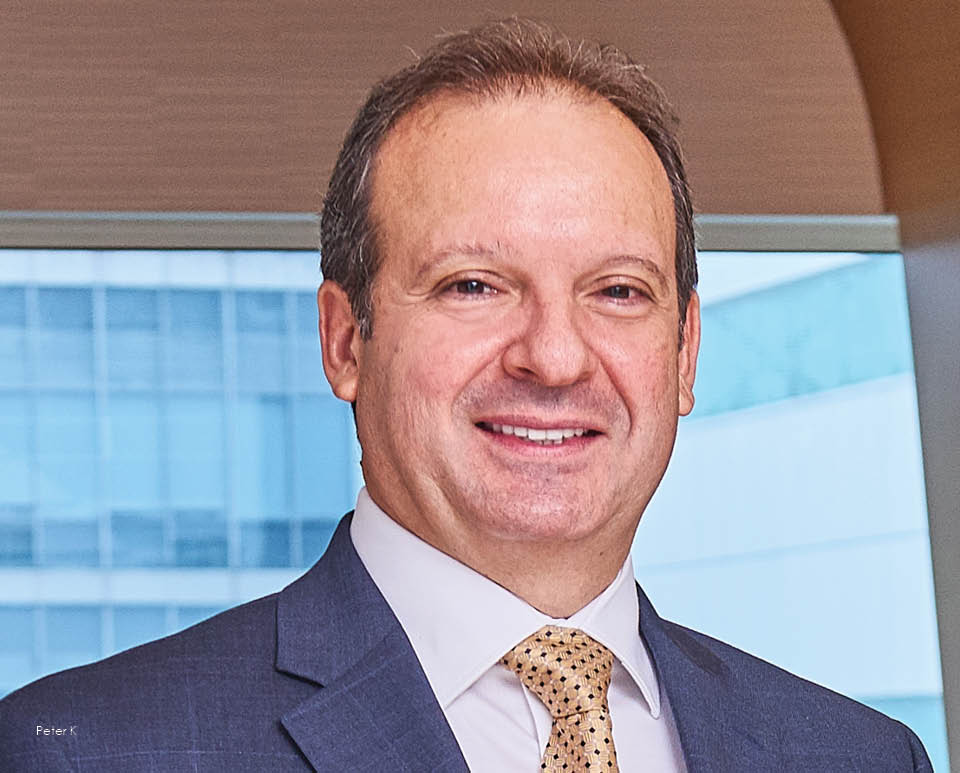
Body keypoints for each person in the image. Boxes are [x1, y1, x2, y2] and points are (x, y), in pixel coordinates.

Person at [0, 17, 933, 772]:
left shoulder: (862, 757)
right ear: (344, 339)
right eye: (474, 285)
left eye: (617, 291)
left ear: (685, 350)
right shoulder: (90, 752)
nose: (555, 358)